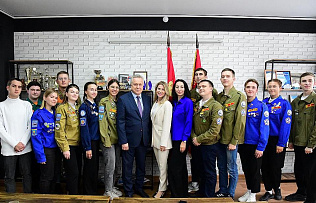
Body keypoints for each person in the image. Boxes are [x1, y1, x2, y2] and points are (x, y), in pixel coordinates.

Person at [117, 75, 152, 198]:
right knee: (127, 167)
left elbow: (148, 120)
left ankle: (139, 188)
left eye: (140, 84)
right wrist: (123, 141)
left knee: (141, 166)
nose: (138, 87)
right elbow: (120, 121)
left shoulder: (147, 99)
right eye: (135, 84)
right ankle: (128, 191)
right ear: (131, 86)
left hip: (143, 140)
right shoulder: (123, 99)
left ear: (143, 85)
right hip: (129, 141)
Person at [216, 68, 247, 198]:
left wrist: (234, 141)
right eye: (223, 76)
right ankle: (223, 189)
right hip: (219, 139)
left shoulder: (240, 96)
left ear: (233, 79)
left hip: (231, 140)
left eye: (228, 76)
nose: (225, 78)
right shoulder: (218, 97)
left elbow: (240, 121)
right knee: (221, 167)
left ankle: (230, 193)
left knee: (232, 168)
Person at [285, 72, 316, 202]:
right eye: (304, 81)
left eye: (309, 80)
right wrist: (291, 140)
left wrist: (311, 144)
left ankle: (311, 198)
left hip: (310, 145)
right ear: (300, 83)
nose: (307, 83)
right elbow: (292, 123)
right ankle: (301, 192)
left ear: (314, 82)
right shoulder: (296, 101)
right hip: (298, 143)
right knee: (299, 170)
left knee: (311, 173)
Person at [260, 79, 292, 201]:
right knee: (264, 166)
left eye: (274, 86)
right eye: (270, 86)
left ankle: (277, 188)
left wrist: (281, 143)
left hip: (276, 140)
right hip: (264, 139)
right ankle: (268, 190)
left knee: (275, 166)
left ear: (280, 88)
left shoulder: (284, 104)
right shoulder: (264, 103)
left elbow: (286, 125)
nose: (272, 88)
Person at [238, 79, 269, 202]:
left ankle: (254, 194)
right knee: (246, 169)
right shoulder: (242, 106)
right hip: (243, 144)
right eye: (248, 87)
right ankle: (249, 190)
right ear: (245, 89)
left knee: (255, 171)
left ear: (257, 90)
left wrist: (261, 147)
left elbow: (265, 128)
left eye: (253, 87)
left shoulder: (262, 106)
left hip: (255, 145)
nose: (250, 89)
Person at [0, 78, 33, 193]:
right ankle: (11, 200)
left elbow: (30, 126)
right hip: (9, 148)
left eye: (19, 87)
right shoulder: (1, 106)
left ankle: (28, 199)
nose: (17, 89)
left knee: (27, 175)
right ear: (8, 88)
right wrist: (14, 144)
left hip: (25, 146)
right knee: (9, 176)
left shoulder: (26, 105)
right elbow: (1, 129)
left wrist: (22, 143)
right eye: (14, 86)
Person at [191, 79, 223, 197]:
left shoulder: (215, 106)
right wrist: (194, 137)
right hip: (197, 145)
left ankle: (208, 196)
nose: (201, 88)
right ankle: (201, 193)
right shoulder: (197, 104)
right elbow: (193, 124)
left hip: (209, 145)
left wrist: (199, 139)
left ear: (211, 89)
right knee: (201, 171)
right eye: (199, 87)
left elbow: (214, 130)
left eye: (204, 86)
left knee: (209, 172)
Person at [168, 79, 193, 198]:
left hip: (181, 139)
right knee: (181, 167)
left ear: (185, 89)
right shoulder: (173, 103)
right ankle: (182, 193)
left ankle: (176, 194)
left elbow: (189, 122)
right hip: (172, 139)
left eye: (181, 87)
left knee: (175, 168)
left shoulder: (187, 102)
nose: (179, 89)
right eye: (177, 87)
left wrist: (184, 141)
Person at [55, 84, 82, 195]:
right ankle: (72, 196)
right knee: (73, 172)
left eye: (76, 92)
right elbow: (59, 130)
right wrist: (65, 148)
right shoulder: (62, 108)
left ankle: (74, 192)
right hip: (68, 145)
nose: (74, 94)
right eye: (72, 92)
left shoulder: (79, 108)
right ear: (66, 94)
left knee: (78, 172)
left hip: (79, 145)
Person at [31, 88, 59, 194]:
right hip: (46, 150)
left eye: (56, 98)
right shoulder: (38, 114)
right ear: (44, 98)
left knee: (54, 177)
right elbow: (35, 135)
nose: (54, 99)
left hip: (56, 149)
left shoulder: (56, 113)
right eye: (51, 97)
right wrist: (40, 155)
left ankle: (52, 198)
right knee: (46, 177)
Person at [99, 79, 123, 199]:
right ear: (108, 88)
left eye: (116, 87)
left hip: (117, 139)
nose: (114, 89)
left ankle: (112, 187)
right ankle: (107, 191)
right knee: (110, 166)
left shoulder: (119, 101)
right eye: (112, 87)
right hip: (108, 141)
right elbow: (102, 122)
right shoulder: (103, 102)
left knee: (117, 167)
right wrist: (105, 139)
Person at [151, 81, 173, 198]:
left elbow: (167, 125)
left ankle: (162, 189)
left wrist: (163, 143)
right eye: (158, 89)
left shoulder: (167, 104)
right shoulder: (156, 103)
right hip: (155, 140)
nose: (160, 91)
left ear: (166, 91)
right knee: (160, 165)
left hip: (163, 141)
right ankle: (165, 184)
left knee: (163, 166)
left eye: (162, 89)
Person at [79, 82, 100, 195]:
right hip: (89, 142)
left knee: (94, 168)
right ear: (86, 91)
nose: (94, 92)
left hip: (96, 141)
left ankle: (94, 191)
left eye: (95, 90)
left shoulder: (95, 106)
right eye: (91, 89)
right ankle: (88, 193)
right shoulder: (84, 107)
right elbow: (84, 128)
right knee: (89, 168)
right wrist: (87, 147)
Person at [26, 80, 42, 193]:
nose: (35, 92)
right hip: (28, 140)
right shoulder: (24, 105)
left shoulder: (43, 104)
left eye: (37, 90)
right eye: (32, 90)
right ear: (27, 91)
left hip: (42, 141)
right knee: (30, 168)